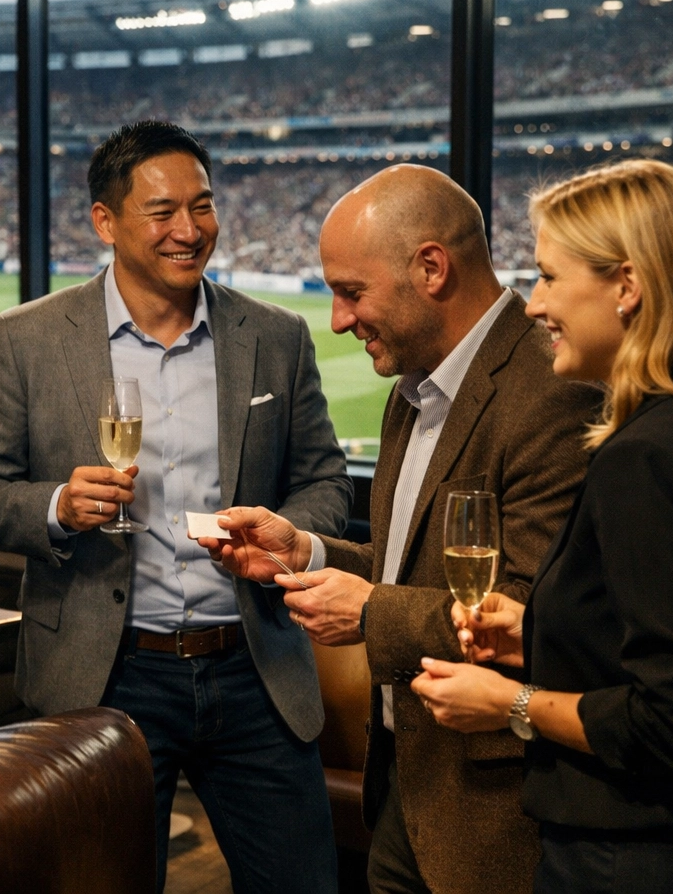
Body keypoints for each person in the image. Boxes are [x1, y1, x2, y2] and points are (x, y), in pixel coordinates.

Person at [0, 121, 352, 893]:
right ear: (105, 221)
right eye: (163, 211)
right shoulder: (27, 339)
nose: (190, 230)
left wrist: (292, 536)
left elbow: (326, 480)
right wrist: (55, 507)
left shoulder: (275, 335)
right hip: (104, 677)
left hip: (254, 669)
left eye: (203, 206)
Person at [201, 165, 600, 894]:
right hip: (405, 789)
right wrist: (306, 550)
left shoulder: (550, 390)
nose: (338, 320)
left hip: (491, 815)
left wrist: (367, 612)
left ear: (431, 268)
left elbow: (536, 615)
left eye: (351, 292)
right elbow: (410, 570)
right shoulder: (412, 391)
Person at [411, 159, 673, 893]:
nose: (535, 303)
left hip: (640, 855)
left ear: (628, 287)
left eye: (547, 277)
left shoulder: (649, 459)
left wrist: (510, 704)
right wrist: (541, 633)